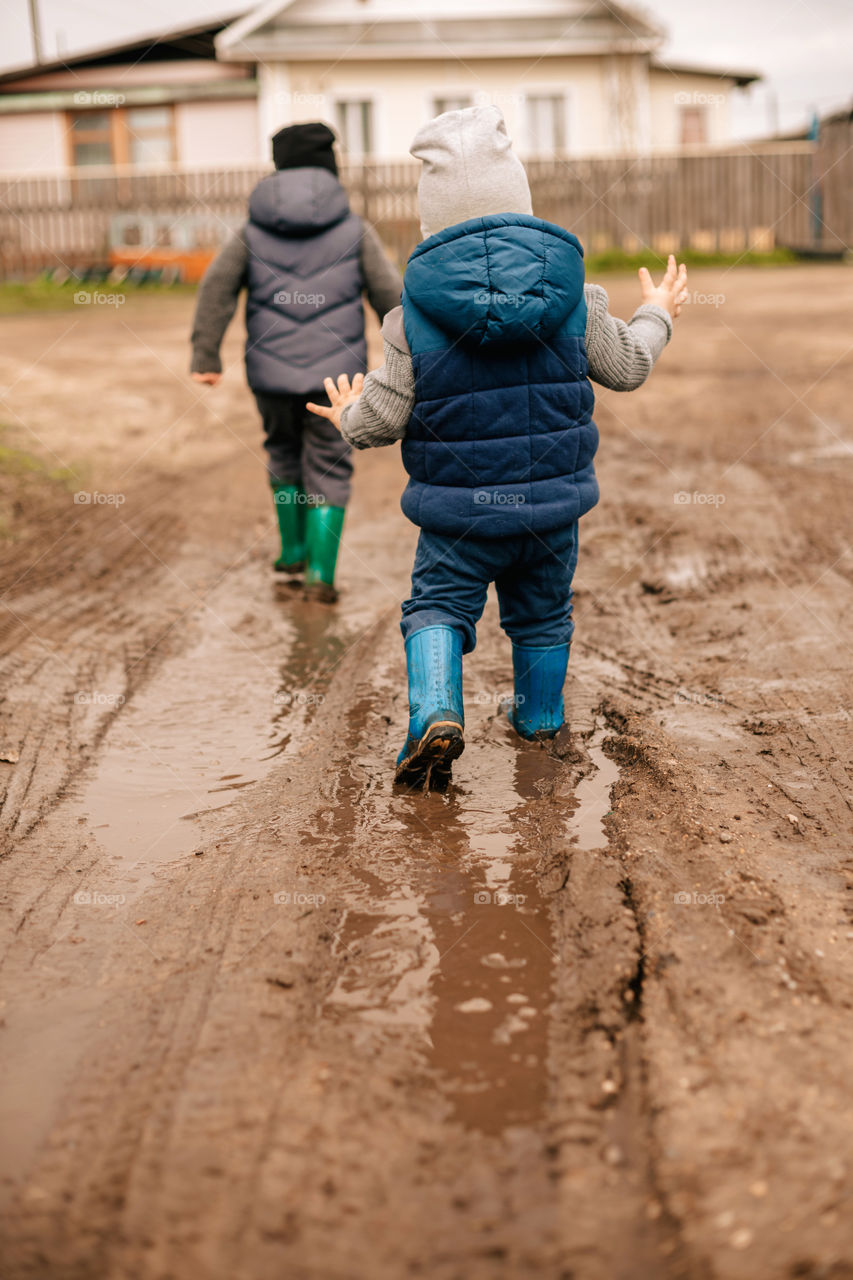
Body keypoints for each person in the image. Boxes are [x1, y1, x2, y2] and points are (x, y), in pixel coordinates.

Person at [308, 106, 688, 784]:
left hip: (459, 517)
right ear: (521, 203)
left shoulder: (410, 318)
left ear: (431, 222)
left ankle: (434, 711)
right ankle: (539, 718)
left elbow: (381, 422)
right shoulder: (579, 300)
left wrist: (346, 415)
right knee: (542, 616)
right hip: (551, 513)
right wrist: (657, 312)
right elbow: (628, 368)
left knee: (437, 607)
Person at [189, 122, 402, 602]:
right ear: (331, 167)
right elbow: (390, 296)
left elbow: (216, 288)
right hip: (337, 381)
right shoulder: (354, 230)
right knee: (331, 465)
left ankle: (292, 553)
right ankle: (320, 577)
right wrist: (417, 357)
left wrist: (206, 355)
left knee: (282, 450)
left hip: (270, 374)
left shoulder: (251, 231)